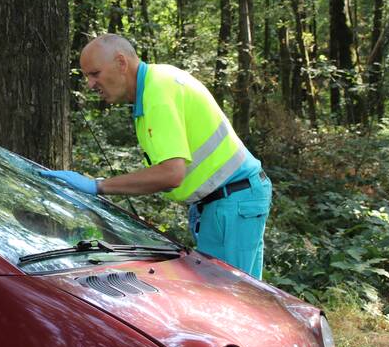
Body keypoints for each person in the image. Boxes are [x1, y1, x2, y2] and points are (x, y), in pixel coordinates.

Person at [42, 34, 272, 279]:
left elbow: (171, 174)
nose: (89, 84)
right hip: (224, 201)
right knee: (235, 298)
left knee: (231, 303)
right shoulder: (153, 87)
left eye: (95, 73)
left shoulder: (158, 93)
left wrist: (97, 186)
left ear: (121, 63)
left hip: (231, 201)